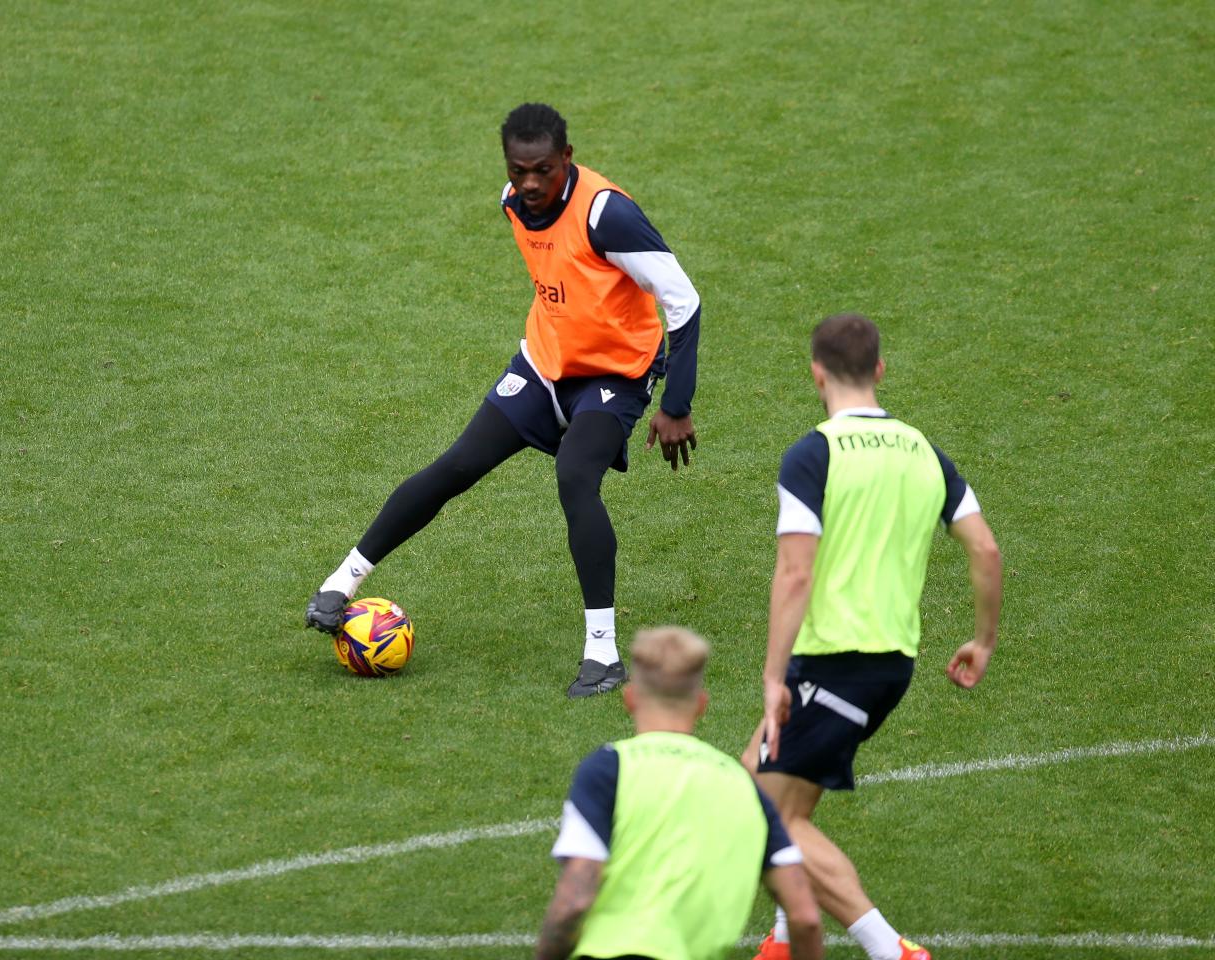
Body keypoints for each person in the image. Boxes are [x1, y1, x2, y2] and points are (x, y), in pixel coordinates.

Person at [305, 102, 701, 698]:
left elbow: (684, 301)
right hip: (544, 364)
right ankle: (341, 582)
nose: (531, 183)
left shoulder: (608, 216)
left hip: (615, 374)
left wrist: (676, 403)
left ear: (567, 157)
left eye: (543, 170)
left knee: (576, 476)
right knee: (458, 465)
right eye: (519, 171)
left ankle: (603, 654)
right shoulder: (512, 202)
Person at [747, 313, 1003, 960]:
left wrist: (774, 676)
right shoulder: (925, 452)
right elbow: (985, 549)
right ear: (880, 370)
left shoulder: (813, 454)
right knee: (759, 779)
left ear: (816, 374)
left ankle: (891, 950)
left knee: (764, 814)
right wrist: (982, 640)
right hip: (888, 661)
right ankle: (785, 937)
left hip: (836, 660)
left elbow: (795, 571)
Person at [537, 627, 824, 960]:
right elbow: (805, 917)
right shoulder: (741, 784)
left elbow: (574, 901)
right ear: (701, 704)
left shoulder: (607, 770)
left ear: (630, 698)